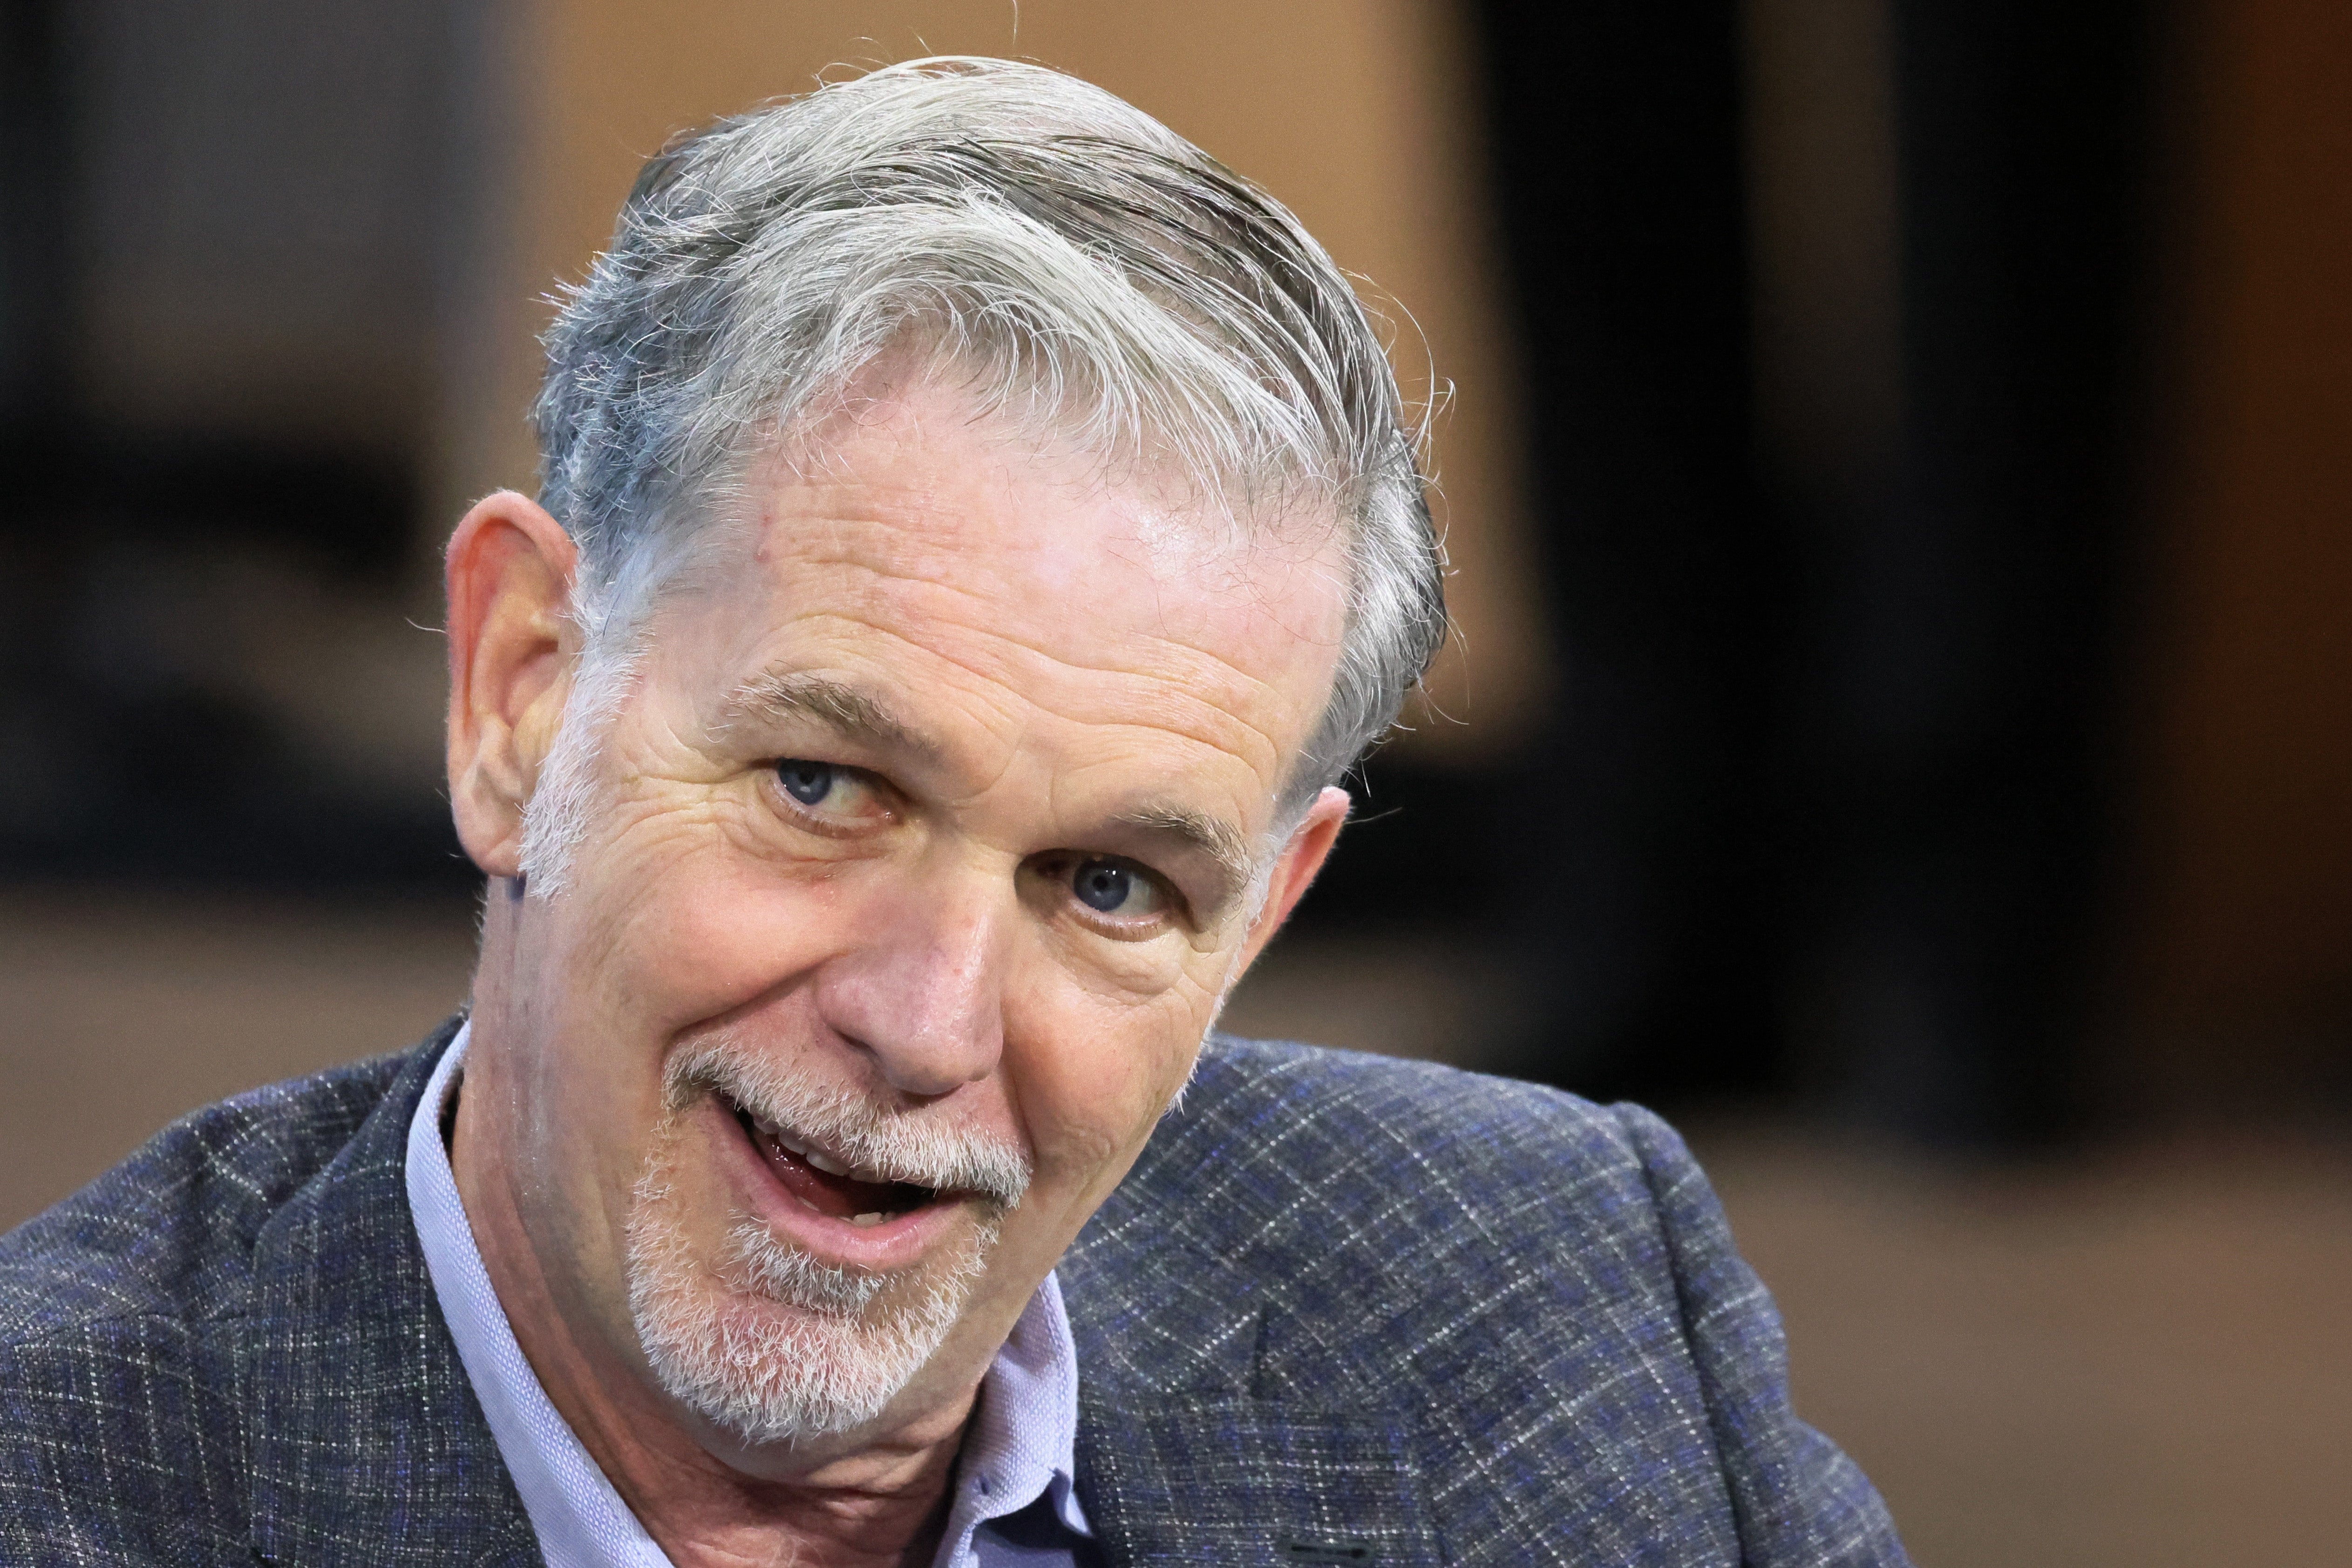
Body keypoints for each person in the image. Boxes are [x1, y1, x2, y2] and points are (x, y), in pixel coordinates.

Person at [0, 59, 1907, 1568]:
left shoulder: (1556, 1313)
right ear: (522, 689)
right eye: (826, 787)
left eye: (1110, 881)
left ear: (1262, 914)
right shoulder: (66, 1478)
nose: (925, 1024)